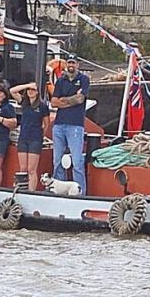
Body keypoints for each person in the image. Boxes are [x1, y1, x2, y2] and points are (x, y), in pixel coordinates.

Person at [50, 54, 90, 195]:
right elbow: (53, 102)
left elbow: (80, 99)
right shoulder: (61, 81)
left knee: (77, 161)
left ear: (78, 64)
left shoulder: (84, 80)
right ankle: (58, 192)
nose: (71, 65)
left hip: (75, 126)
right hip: (59, 125)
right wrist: (70, 100)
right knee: (57, 161)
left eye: (73, 62)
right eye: (69, 62)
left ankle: (80, 193)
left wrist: (63, 101)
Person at [10, 82, 50, 191]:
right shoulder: (24, 103)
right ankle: (22, 189)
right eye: (29, 90)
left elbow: (47, 123)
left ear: (37, 92)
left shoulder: (42, 106)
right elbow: (12, 91)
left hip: (35, 139)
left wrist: (41, 135)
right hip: (23, 137)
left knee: (32, 169)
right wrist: (27, 85)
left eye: (33, 90)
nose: (30, 92)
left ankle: (31, 191)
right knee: (23, 168)